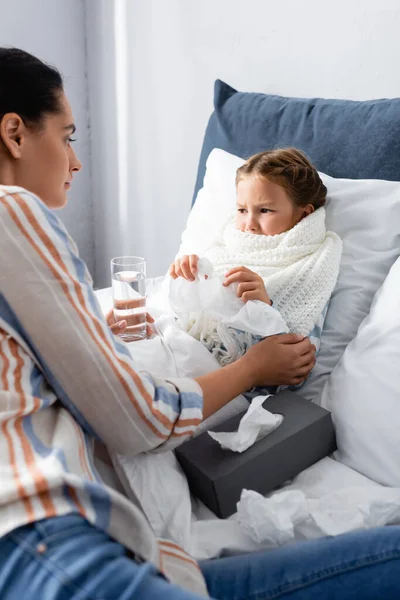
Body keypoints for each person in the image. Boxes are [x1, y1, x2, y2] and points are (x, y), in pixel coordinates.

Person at [0, 47, 398, 600]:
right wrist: (253, 365)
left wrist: (90, 329)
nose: (76, 162)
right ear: (15, 134)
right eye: (67, 137)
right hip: (40, 531)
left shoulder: (314, 256)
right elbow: (140, 418)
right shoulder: (13, 213)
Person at [170, 148, 342, 367]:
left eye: (265, 210)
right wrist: (186, 282)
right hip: (178, 356)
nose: (249, 224)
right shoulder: (221, 248)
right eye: (242, 210)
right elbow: (182, 323)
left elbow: (296, 368)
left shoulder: (314, 266)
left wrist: (265, 307)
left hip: (225, 382)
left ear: (305, 213)